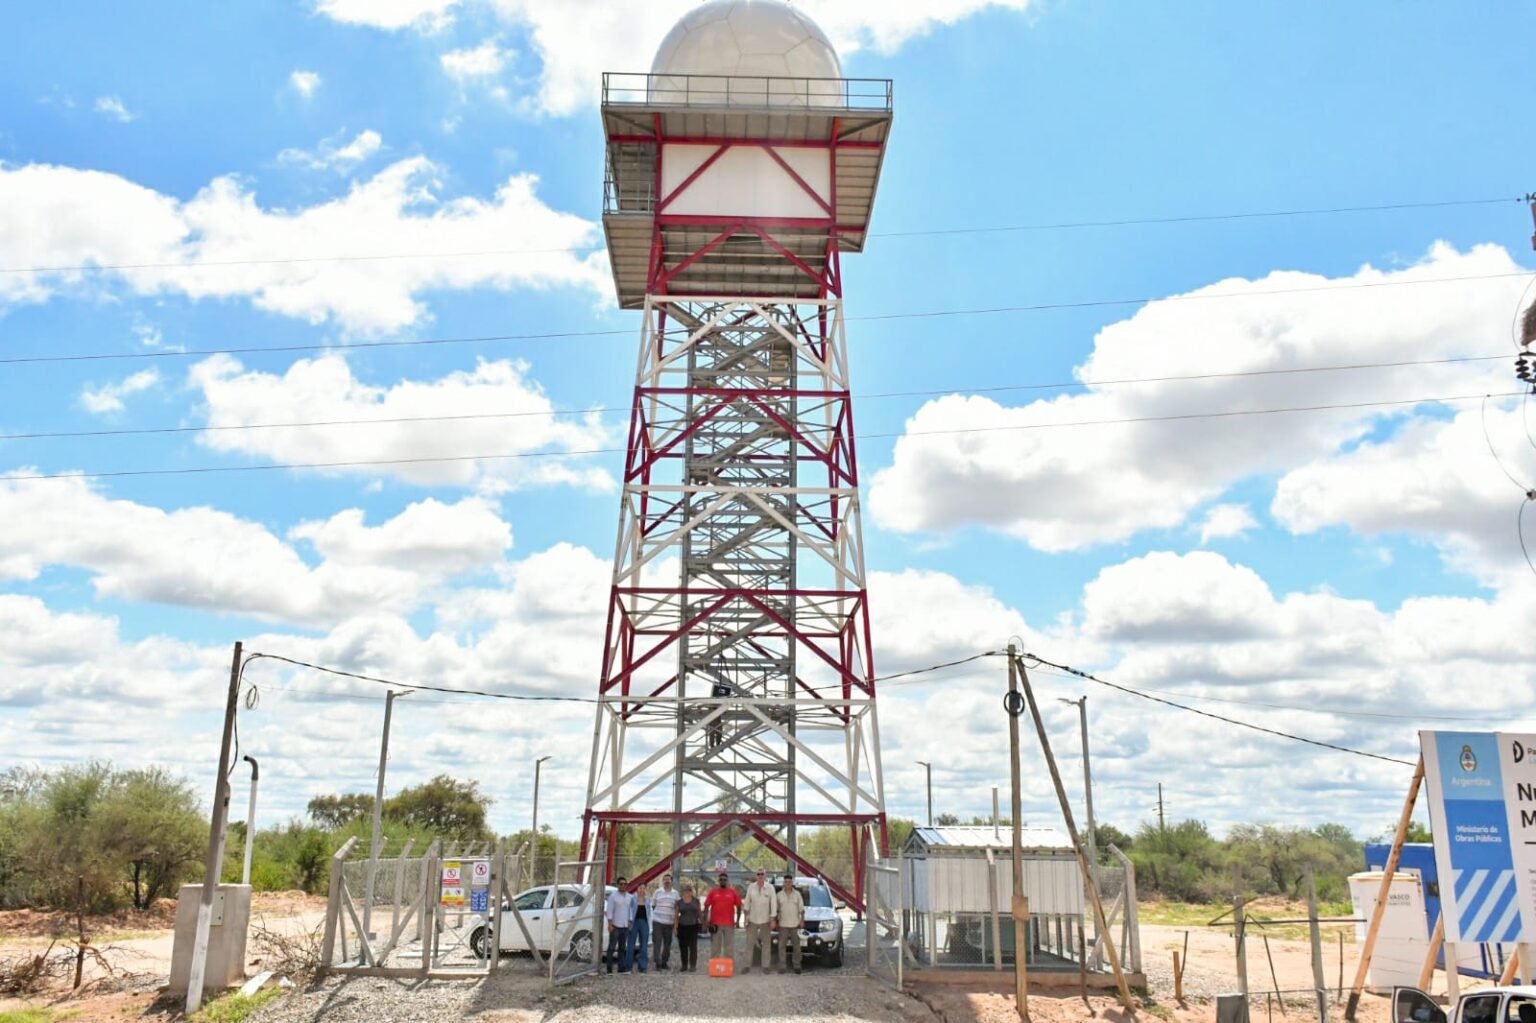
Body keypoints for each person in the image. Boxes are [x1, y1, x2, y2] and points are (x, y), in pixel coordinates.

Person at [741, 868, 778, 974]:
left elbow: (773, 904)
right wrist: (745, 919)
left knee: (766, 944)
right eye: (758, 874)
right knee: (749, 943)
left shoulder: (770, 888)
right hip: (752, 919)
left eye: (762, 874)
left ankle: (765, 966)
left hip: (765, 920)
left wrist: (773, 920)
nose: (760, 876)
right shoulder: (751, 887)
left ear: (765, 876)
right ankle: (747, 965)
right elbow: (747, 902)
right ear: (756, 876)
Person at [703, 872, 742, 965]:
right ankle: (715, 967)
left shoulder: (732, 892)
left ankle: (728, 967)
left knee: (729, 947)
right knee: (715, 947)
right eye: (721, 880)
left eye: (724, 880)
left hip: (729, 924)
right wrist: (706, 922)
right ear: (718, 881)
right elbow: (706, 907)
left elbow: (739, 906)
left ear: (727, 881)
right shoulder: (713, 892)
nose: (723, 881)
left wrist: (738, 921)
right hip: (715, 924)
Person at [775, 874, 805, 974]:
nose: (788, 883)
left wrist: (802, 920)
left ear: (792, 883)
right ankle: (782, 966)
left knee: (796, 946)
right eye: (786, 882)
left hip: (795, 925)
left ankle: (797, 965)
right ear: (784, 883)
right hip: (783, 925)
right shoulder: (779, 895)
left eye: (789, 882)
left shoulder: (797, 895)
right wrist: (776, 921)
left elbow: (802, 909)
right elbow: (776, 910)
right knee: (781, 946)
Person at [650, 872, 680, 970]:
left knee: (667, 944)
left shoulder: (675, 894)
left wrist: (675, 924)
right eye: (665, 880)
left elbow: (676, 908)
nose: (667, 881)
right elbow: (653, 906)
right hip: (658, 922)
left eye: (668, 880)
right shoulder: (657, 892)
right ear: (663, 881)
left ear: (671, 881)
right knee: (657, 943)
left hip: (669, 923)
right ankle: (658, 963)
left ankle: (664, 962)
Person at [604, 876, 633, 974]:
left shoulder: (630, 897)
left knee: (622, 948)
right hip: (615, 926)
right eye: (621, 884)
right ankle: (609, 968)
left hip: (625, 926)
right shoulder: (613, 896)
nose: (623, 886)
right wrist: (609, 924)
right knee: (611, 948)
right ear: (618, 885)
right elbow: (609, 911)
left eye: (625, 884)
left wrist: (630, 922)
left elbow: (631, 911)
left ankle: (621, 968)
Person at [675, 882, 702, 972]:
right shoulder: (679, 902)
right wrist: (675, 927)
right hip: (682, 927)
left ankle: (693, 965)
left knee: (693, 947)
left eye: (689, 891)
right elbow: (675, 915)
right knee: (683, 947)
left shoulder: (696, 901)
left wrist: (702, 923)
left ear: (691, 892)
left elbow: (699, 913)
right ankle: (684, 965)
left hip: (693, 926)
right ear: (683, 892)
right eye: (686, 891)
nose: (687, 892)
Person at [627, 881, 651, 973]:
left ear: (645, 889)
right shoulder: (633, 898)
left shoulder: (648, 899)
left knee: (644, 945)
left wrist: (649, 925)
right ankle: (628, 966)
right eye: (640, 888)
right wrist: (629, 921)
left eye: (643, 888)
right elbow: (629, 910)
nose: (642, 890)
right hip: (634, 922)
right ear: (637, 889)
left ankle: (642, 966)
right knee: (631, 944)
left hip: (644, 923)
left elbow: (649, 913)